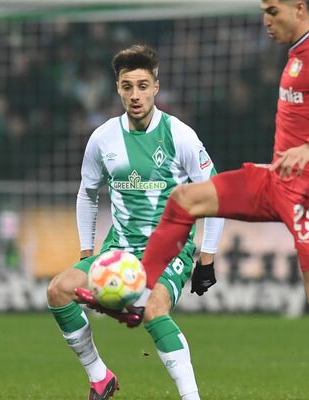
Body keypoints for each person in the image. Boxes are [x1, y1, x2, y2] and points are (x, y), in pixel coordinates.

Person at [81, 1, 309, 399]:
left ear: (299, 8)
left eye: (272, 11)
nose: (266, 20)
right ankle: (142, 293)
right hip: (276, 180)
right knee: (184, 200)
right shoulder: (307, 51)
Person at [45, 44, 225, 400]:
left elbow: (214, 193)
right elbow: (87, 193)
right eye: (127, 86)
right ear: (118, 89)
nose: (135, 95)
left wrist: (207, 257)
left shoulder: (179, 135)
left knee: (154, 312)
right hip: (120, 251)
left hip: (170, 250)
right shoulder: (103, 138)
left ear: (156, 87)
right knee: (58, 291)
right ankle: (100, 377)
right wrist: (86, 250)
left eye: (143, 85)